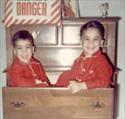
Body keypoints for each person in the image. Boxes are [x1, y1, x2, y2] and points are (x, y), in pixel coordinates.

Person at [55, 21, 114, 93]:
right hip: (79, 95)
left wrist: (81, 85)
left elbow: (104, 80)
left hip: (93, 96)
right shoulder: (78, 60)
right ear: (81, 41)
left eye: (95, 39)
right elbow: (73, 75)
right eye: (87, 39)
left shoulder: (101, 61)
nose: (91, 43)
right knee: (64, 76)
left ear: (101, 42)